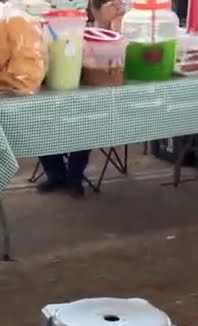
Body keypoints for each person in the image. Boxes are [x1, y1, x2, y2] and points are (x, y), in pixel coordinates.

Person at [35, 0, 122, 197]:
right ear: (95, 8)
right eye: (113, 4)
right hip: (63, 89)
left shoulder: (124, 30)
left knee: (84, 128)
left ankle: (74, 177)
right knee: (43, 124)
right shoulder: (78, 31)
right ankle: (55, 175)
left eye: (121, 4)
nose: (119, 9)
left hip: (96, 101)